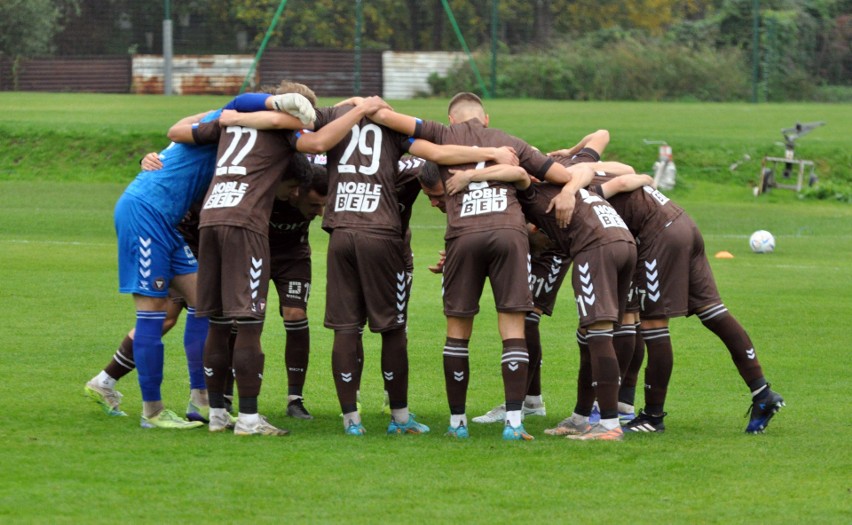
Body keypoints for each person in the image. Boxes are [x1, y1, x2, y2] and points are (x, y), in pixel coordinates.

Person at [221, 95, 518, 437]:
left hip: (341, 233)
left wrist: (230, 116)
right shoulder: (392, 125)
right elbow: (437, 154)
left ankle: (351, 421)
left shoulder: (332, 116)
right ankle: (400, 417)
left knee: (346, 327)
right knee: (391, 328)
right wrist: (489, 153)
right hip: (380, 233)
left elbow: (285, 119)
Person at [367, 92, 586, 440]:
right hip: (508, 234)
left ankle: (457, 424)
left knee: (457, 333)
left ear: (452, 119)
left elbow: (385, 118)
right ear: (486, 118)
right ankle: (514, 423)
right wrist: (571, 190)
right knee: (512, 328)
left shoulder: (440, 132)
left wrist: (366, 104)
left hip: (463, 235)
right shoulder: (512, 142)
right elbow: (561, 175)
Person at [166, 82, 366, 436]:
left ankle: (215, 414)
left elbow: (179, 131)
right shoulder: (284, 128)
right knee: (249, 323)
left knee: (215, 320)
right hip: (245, 223)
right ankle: (248, 418)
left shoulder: (231, 120)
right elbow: (319, 143)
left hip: (210, 218)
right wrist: (360, 110)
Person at [446, 162, 637, 441]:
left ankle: (609, 426)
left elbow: (520, 174)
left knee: (598, 336)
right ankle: (582, 418)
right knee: (592, 336)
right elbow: (588, 170)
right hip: (623, 241)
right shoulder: (563, 182)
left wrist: (469, 176)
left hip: (595, 247)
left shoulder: (530, 192)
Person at [584, 171, 785, 434]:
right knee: (712, 310)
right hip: (682, 222)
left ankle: (653, 416)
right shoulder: (588, 166)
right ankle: (762, 392)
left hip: (659, 236)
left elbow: (620, 181)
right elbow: (621, 165)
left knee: (653, 324)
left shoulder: (576, 187)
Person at [472, 130, 614, 425]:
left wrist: (570, 159)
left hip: (555, 247)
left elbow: (602, 135)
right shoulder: (546, 166)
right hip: (534, 245)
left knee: (528, 317)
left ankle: (532, 402)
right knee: (525, 318)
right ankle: (531, 400)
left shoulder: (562, 165)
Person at [267, 153, 329, 419]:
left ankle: (295, 400)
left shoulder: (319, 174)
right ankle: (226, 395)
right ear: (295, 193)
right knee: (245, 319)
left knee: (296, 315)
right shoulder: (271, 185)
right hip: (256, 253)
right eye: (314, 205)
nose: (319, 212)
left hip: (294, 257)